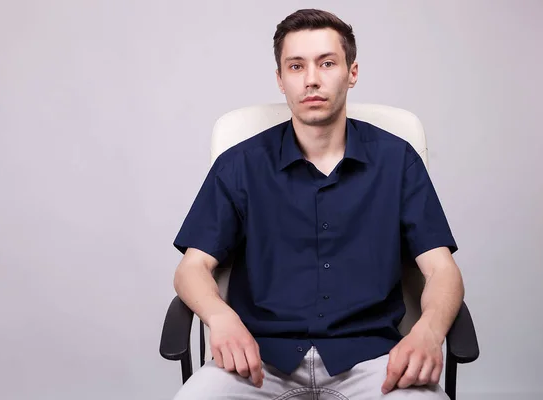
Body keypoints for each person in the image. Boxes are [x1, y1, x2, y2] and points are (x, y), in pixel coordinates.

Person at [171, 8, 464, 400]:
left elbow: (442, 270)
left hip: (374, 361)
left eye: (326, 63)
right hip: (259, 360)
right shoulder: (240, 165)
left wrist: (429, 331)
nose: (311, 79)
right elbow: (192, 268)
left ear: (352, 72)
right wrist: (220, 318)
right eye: (296, 66)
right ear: (280, 79)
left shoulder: (398, 161)